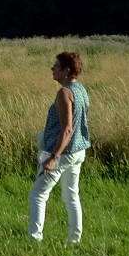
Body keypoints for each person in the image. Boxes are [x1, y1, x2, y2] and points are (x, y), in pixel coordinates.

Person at [28, 51, 91, 244]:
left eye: (56, 66)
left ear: (66, 70)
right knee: (71, 194)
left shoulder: (64, 93)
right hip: (78, 150)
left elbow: (67, 129)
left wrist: (53, 156)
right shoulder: (80, 89)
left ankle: (34, 239)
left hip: (63, 152)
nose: (52, 69)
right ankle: (74, 239)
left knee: (38, 194)